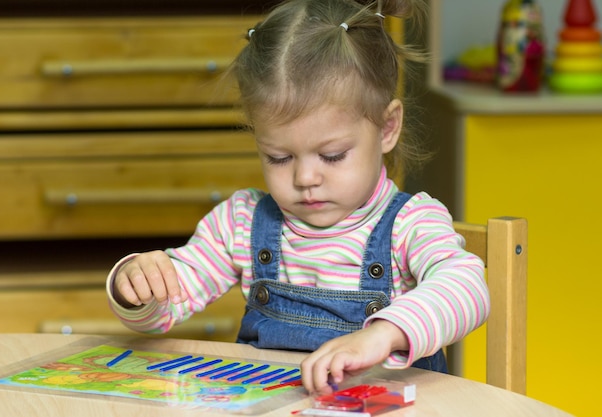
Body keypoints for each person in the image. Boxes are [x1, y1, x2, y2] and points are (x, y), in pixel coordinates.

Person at [106, 0, 489, 394]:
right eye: (279, 157)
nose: (305, 177)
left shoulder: (411, 223)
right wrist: (136, 287)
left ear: (387, 127)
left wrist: (384, 335)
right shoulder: (241, 221)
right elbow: (160, 315)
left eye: (332, 155)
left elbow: (467, 288)